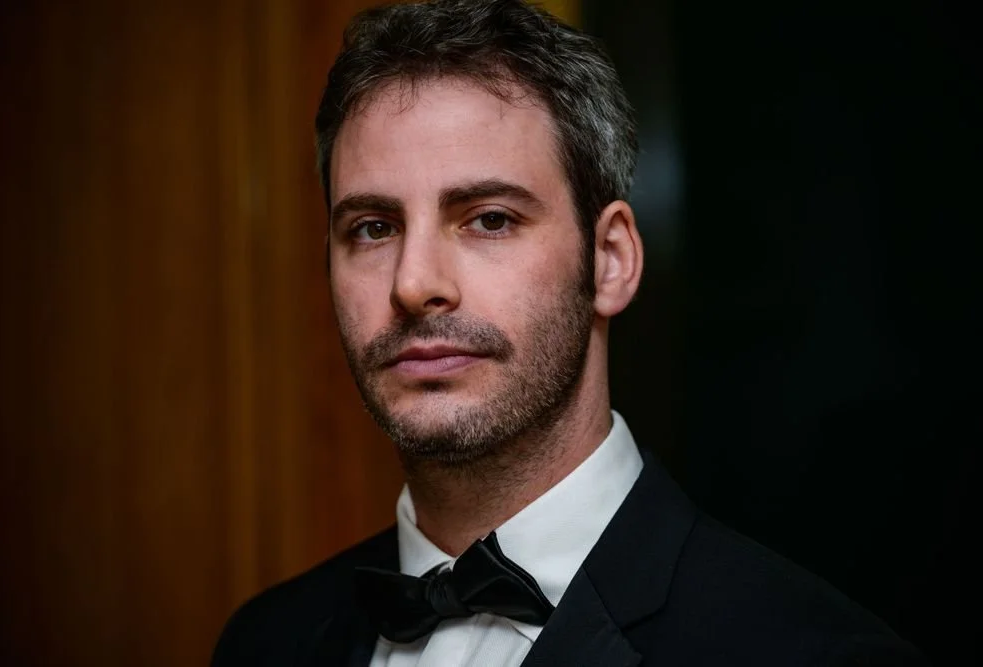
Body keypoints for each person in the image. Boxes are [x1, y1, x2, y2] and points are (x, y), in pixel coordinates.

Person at [212, 0, 928, 664]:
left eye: (490, 218)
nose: (413, 282)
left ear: (610, 259)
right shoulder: (265, 642)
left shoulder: (815, 652)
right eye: (372, 228)